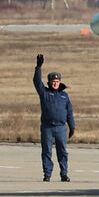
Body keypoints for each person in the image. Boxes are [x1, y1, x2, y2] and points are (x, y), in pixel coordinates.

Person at [33, 54, 75, 182]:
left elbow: (69, 112)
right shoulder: (44, 93)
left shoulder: (64, 96)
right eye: (53, 82)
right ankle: (47, 174)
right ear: (50, 83)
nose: (56, 83)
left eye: (57, 81)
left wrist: (72, 126)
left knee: (62, 151)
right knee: (46, 151)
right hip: (47, 127)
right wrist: (38, 68)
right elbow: (36, 82)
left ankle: (64, 173)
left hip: (61, 128)